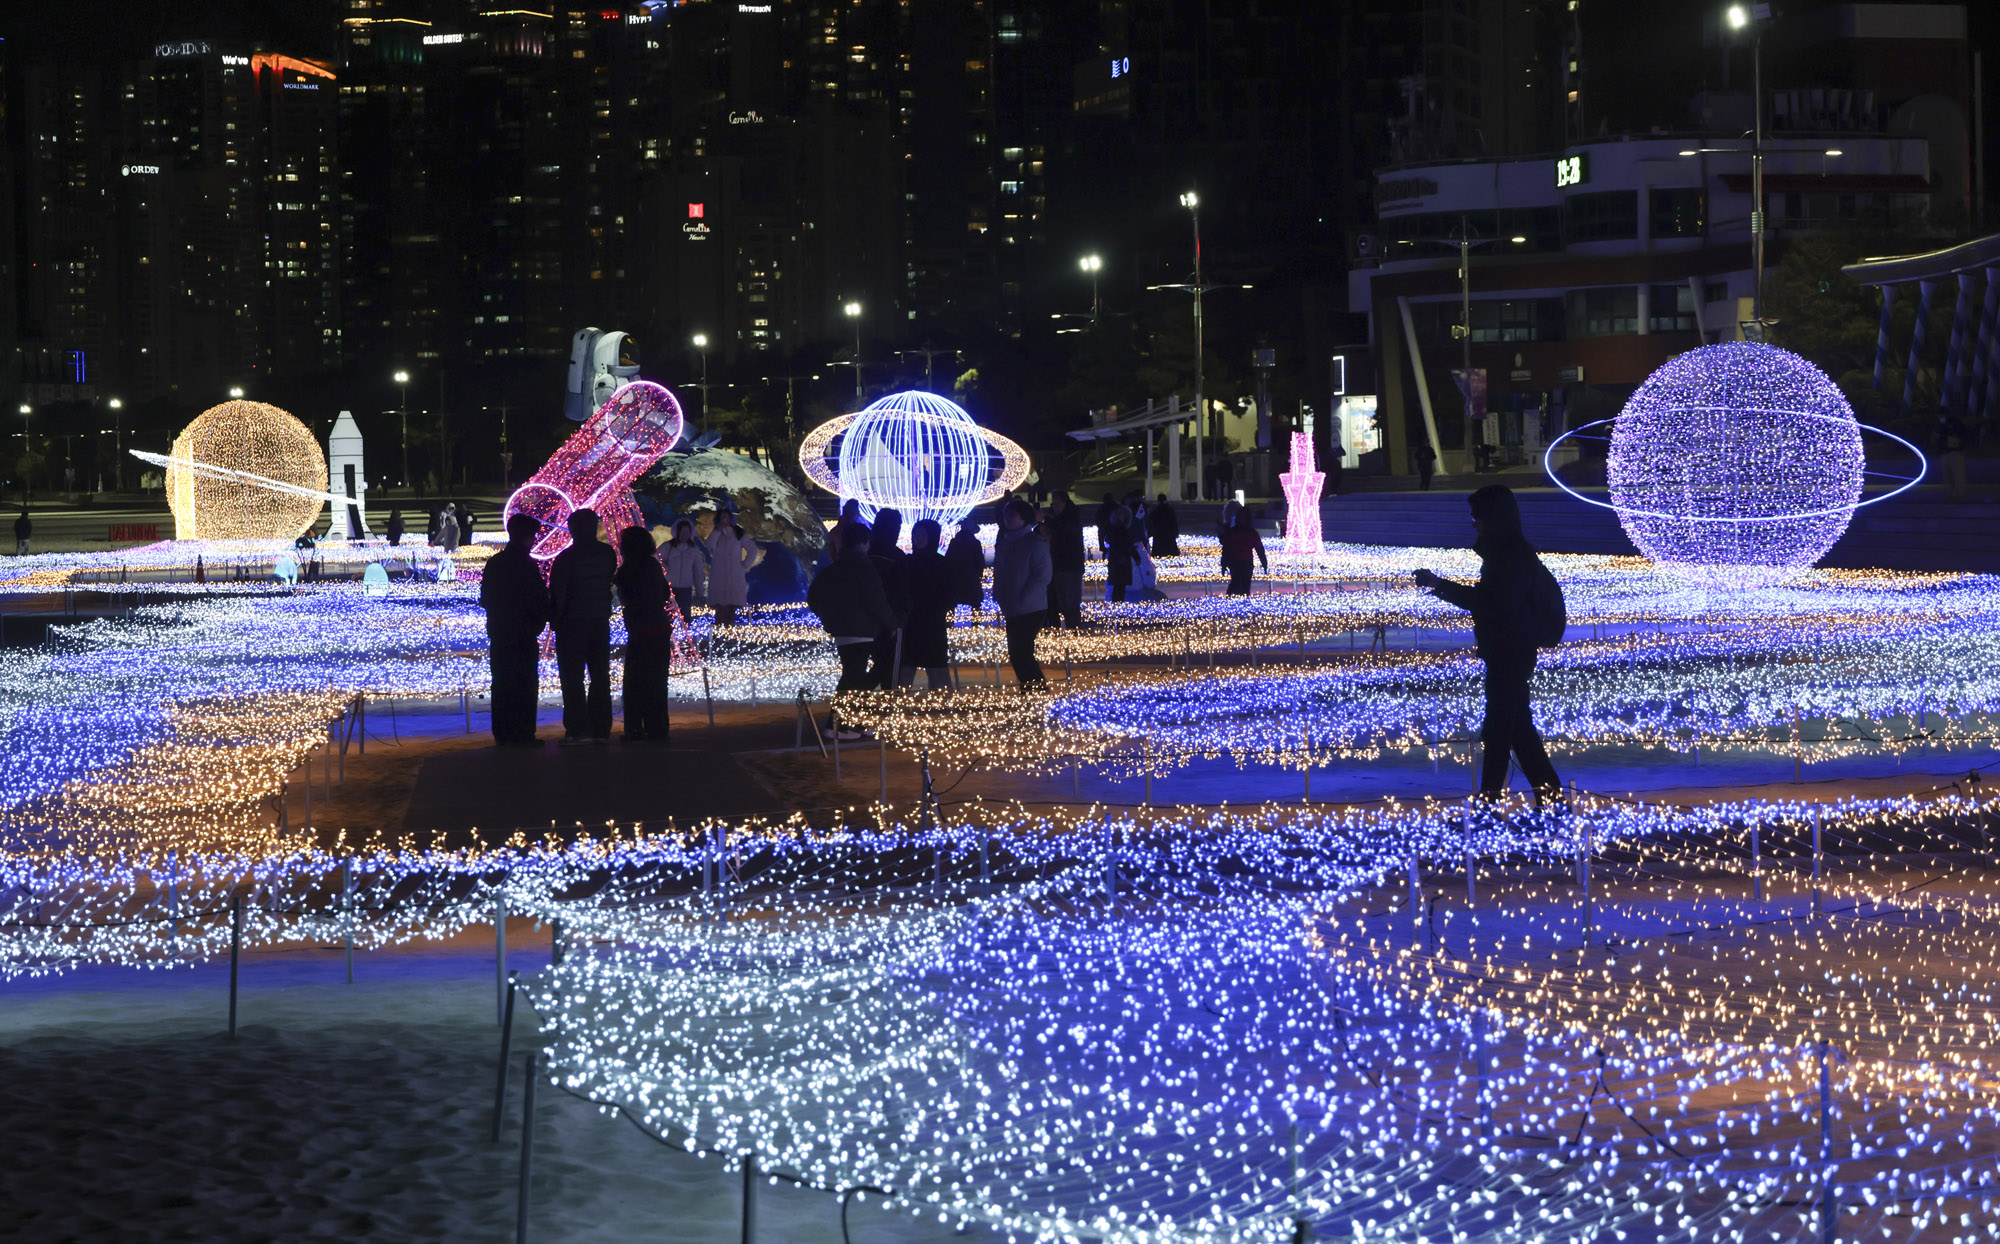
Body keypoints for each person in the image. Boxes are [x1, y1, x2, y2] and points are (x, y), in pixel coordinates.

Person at [1413, 485, 1562, 802]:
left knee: (1498, 732)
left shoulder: (1513, 557)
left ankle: (1491, 805)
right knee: (1518, 732)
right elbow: (1492, 601)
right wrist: (1441, 586)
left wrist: (1440, 586)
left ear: (1494, 519)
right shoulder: (1505, 555)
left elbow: (1495, 603)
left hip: (1512, 653)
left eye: (1477, 517)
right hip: (1505, 652)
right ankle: (1551, 801)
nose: (1474, 523)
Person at [807, 520, 898, 739]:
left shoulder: (834, 568)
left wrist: (830, 616)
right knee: (853, 677)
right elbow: (875, 599)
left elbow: (813, 597)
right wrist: (890, 623)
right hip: (861, 628)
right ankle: (837, 725)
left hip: (843, 628)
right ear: (865, 543)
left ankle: (853, 723)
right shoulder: (864, 568)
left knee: (855, 676)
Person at [478, 513, 550, 746]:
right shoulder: (527, 565)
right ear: (527, 537)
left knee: (502, 684)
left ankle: (503, 733)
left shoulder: (495, 562)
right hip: (523, 633)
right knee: (525, 684)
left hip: (500, 632)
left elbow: (486, 598)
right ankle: (523, 733)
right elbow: (537, 600)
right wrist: (540, 620)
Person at [548, 508, 618, 745]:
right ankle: (600, 726)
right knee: (600, 676)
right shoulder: (607, 554)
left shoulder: (566, 558)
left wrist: (555, 620)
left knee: (573, 677)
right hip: (599, 621)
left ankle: (577, 727)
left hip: (572, 624)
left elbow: (559, 593)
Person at [614, 525, 672, 743]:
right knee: (657, 681)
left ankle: (635, 728)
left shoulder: (628, 569)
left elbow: (628, 597)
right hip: (658, 627)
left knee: (635, 682)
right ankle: (657, 727)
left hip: (640, 629)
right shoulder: (653, 565)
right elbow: (665, 593)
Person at [990, 496, 1051, 690]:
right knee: (1018, 652)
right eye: (1006, 514)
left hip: (1031, 608)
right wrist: (999, 594)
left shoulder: (1034, 543)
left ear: (1023, 518)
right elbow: (999, 573)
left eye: (1012, 514)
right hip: (1012, 607)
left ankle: (1036, 689)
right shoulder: (1005, 543)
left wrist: (1024, 597)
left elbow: (1042, 575)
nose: (1007, 518)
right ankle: (1031, 688)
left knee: (1021, 651)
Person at [900, 518, 954, 690]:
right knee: (907, 664)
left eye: (922, 534)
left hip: (932, 621)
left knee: (936, 665)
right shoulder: (908, 562)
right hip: (911, 620)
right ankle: (900, 707)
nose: (918, 538)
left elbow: (949, 591)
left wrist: (942, 611)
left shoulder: (941, 563)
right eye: (916, 534)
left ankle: (942, 705)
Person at [865, 508, 911, 688]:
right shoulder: (895, 556)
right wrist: (899, 619)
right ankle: (887, 706)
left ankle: (855, 699)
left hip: (866, 620)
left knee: (877, 663)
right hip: (891, 620)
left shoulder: (866, 552)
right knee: (890, 668)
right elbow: (903, 590)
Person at [706, 503, 754, 625]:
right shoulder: (716, 533)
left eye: (727, 517)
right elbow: (709, 545)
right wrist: (717, 530)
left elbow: (752, 549)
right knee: (719, 608)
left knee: (731, 609)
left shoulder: (737, 533)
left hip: (734, 576)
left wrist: (744, 565)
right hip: (719, 575)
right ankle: (718, 637)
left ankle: (729, 636)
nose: (725, 520)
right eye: (722, 517)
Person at [1044, 491, 1085, 628]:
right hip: (1059, 564)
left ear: (1064, 502)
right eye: (1053, 503)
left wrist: (1047, 521)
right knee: (1063, 602)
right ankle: (1071, 628)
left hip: (1070, 565)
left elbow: (1065, 533)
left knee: (1071, 602)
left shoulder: (1071, 517)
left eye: (1057, 503)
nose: (1055, 506)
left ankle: (1074, 629)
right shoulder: (1060, 518)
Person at [661, 519, 705, 621]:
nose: (685, 535)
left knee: (685, 617)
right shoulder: (668, 546)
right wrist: (665, 568)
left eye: (687, 532)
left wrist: (700, 593)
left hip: (685, 589)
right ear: (677, 532)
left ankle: (685, 636)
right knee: (668, 617)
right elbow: (657, 558)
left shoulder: (694, 550)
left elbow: (697, 571)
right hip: (670, 588)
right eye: (682, 532)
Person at [1220, 508, 1268, 595]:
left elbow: (1226, 549)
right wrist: (1264, 563)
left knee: (1236, 583)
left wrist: (1224, 564)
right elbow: (1259, 549)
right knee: (1242, 584)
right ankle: (1241, 600)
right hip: (1243, 561)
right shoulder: (1250, 532)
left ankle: (1232, 600)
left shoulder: (1233, 532)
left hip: (1237, 561)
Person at [945, 516, 986, 613]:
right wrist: (979, 573)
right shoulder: (975, 543)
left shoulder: (954, 542)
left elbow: (948, 558)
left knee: (953, 602)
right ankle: (976, 623)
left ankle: (949, 624)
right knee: (975, 603)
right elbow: (979, 561)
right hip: (971, 577)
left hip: (955, 577)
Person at [1102, 505, 1139, 603]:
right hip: (1121, 561)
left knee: (1118, 586)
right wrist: (1136, 556)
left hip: (1117, 560)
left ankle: (1117, 605)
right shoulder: (1120, 530)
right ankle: (1118, 606)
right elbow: (1127, 545)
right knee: (1119, 587)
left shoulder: (1113, 529)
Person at [1936, 412, 1971, 503]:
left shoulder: (1955, 426)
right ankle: (1951, 495)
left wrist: (1961, 447)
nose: (1940, 418)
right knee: (1948, 475)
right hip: (1946, 453)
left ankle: (1958, 496)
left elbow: (1963, 437)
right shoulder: (1942, 426)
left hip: (1955, 452)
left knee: (1957, 475)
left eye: (1941, 416)